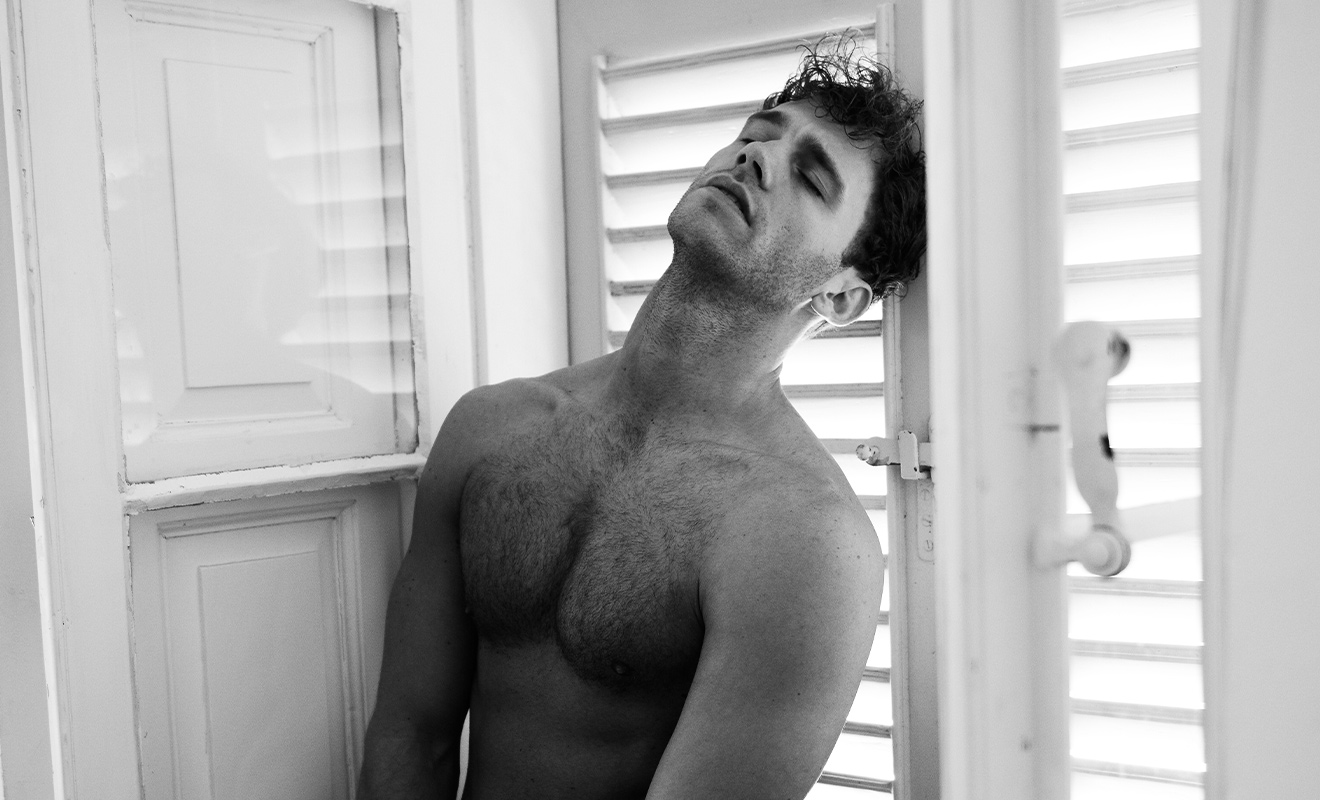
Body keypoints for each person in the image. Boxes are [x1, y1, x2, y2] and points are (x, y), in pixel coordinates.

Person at [357, 41, 926, 800]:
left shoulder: (803, 541)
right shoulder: (491, 428)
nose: (756, 159)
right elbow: (410, 734)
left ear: (840, 296)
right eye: (756, 136)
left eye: (811, 177)